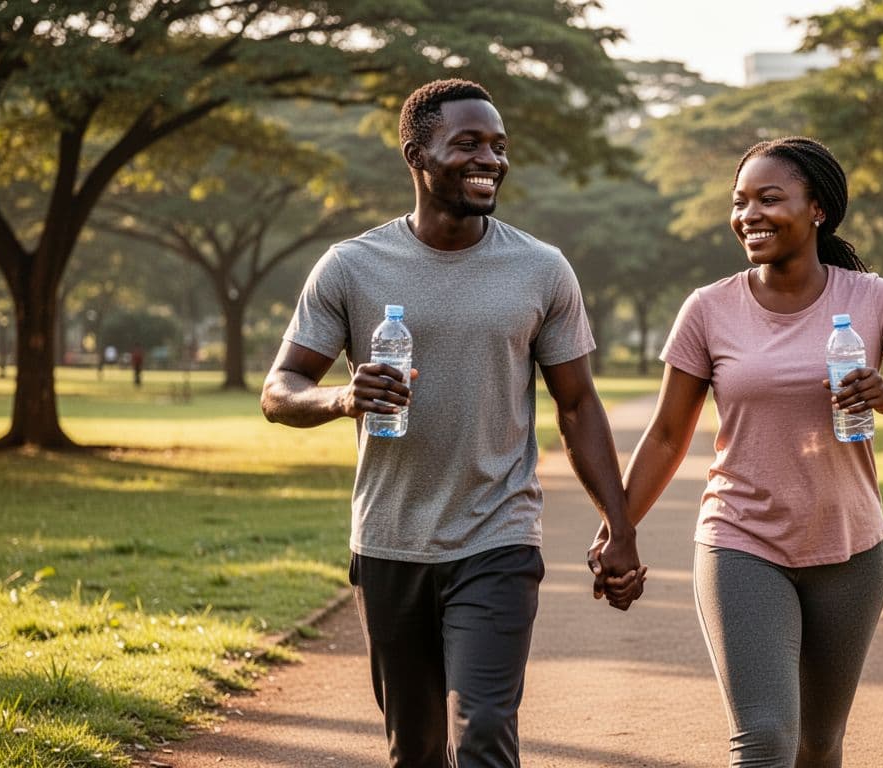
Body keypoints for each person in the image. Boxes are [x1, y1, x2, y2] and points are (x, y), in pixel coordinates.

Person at [260, 78, 643, 768]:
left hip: (498, 533)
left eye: (498, 146)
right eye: (468, 143)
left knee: (484, 729)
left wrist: (619, 526)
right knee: (415, 749)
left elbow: (579, 404)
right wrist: (342, 400)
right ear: (417, 154)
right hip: (389, 540)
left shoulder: (541, 268)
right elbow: (279, 390)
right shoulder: (350, 267)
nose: (490, 159)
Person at [592, 137, 883, 766]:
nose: (749, 214)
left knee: (818, 746)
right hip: (741, 540)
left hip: (850, 548)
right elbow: (666, 434)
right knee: (766, 737)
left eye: (769, 199)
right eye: (740, 201)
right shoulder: (708, 309)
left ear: (817, 209)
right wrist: (620, 529)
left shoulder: (873, 299)